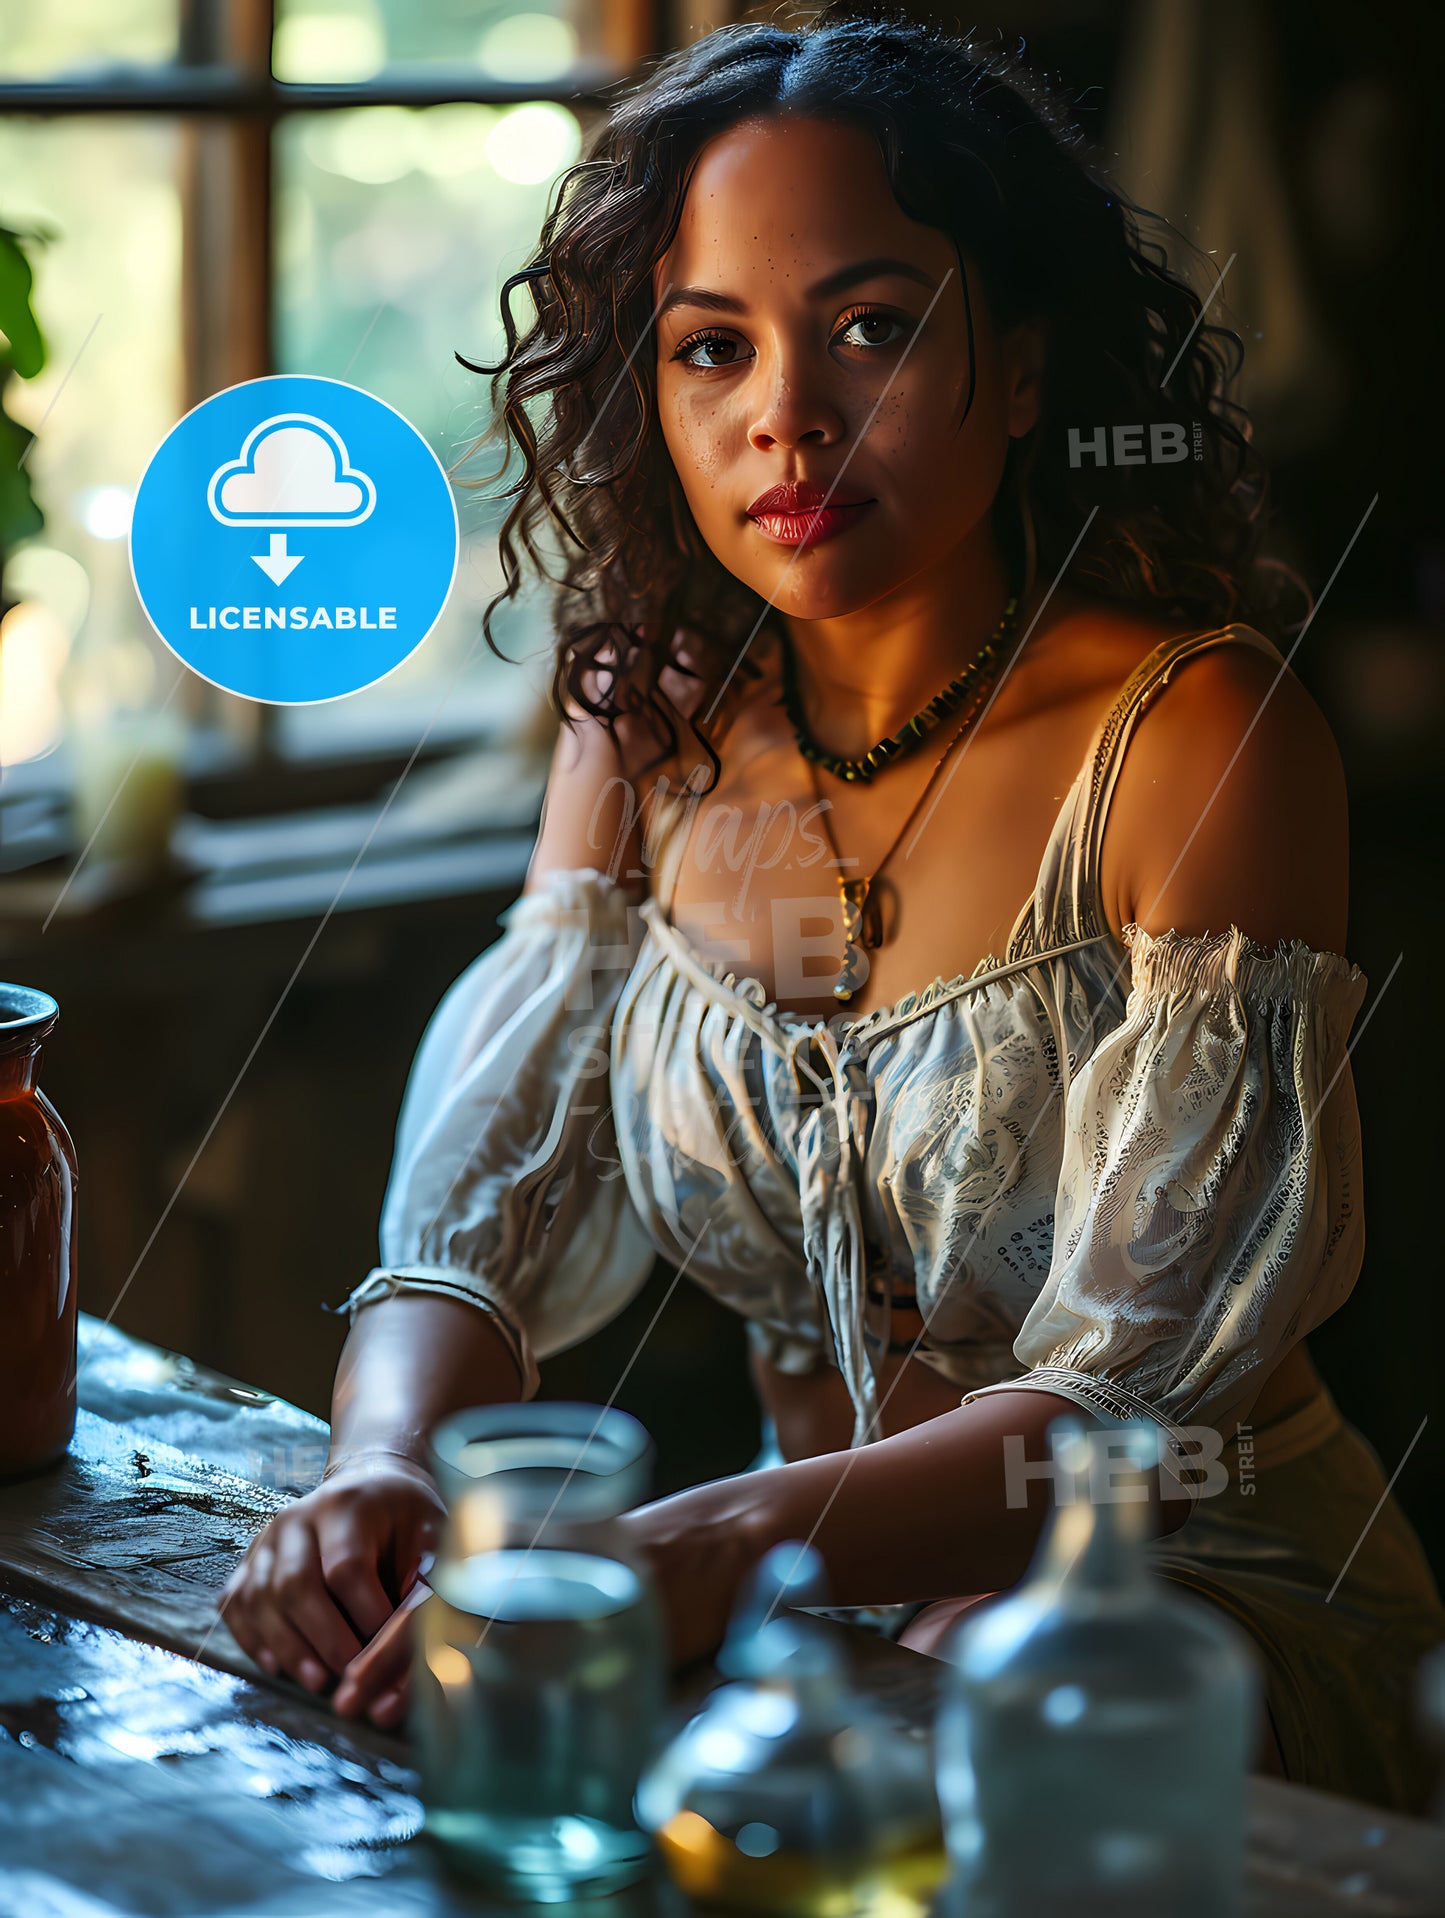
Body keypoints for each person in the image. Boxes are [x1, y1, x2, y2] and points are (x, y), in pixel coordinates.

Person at [219, 7, 1444, 1810]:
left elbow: (1131, 1416)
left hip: (1184, 1601)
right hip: (805, 1608)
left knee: (911, 1756)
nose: (783, 412)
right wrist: (382, 1462)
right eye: (711, 347)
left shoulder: (1195, 732)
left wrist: (710, 1544)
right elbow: (482, 1209)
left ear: (1021, 367)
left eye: (870, 327)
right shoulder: (640, 720)